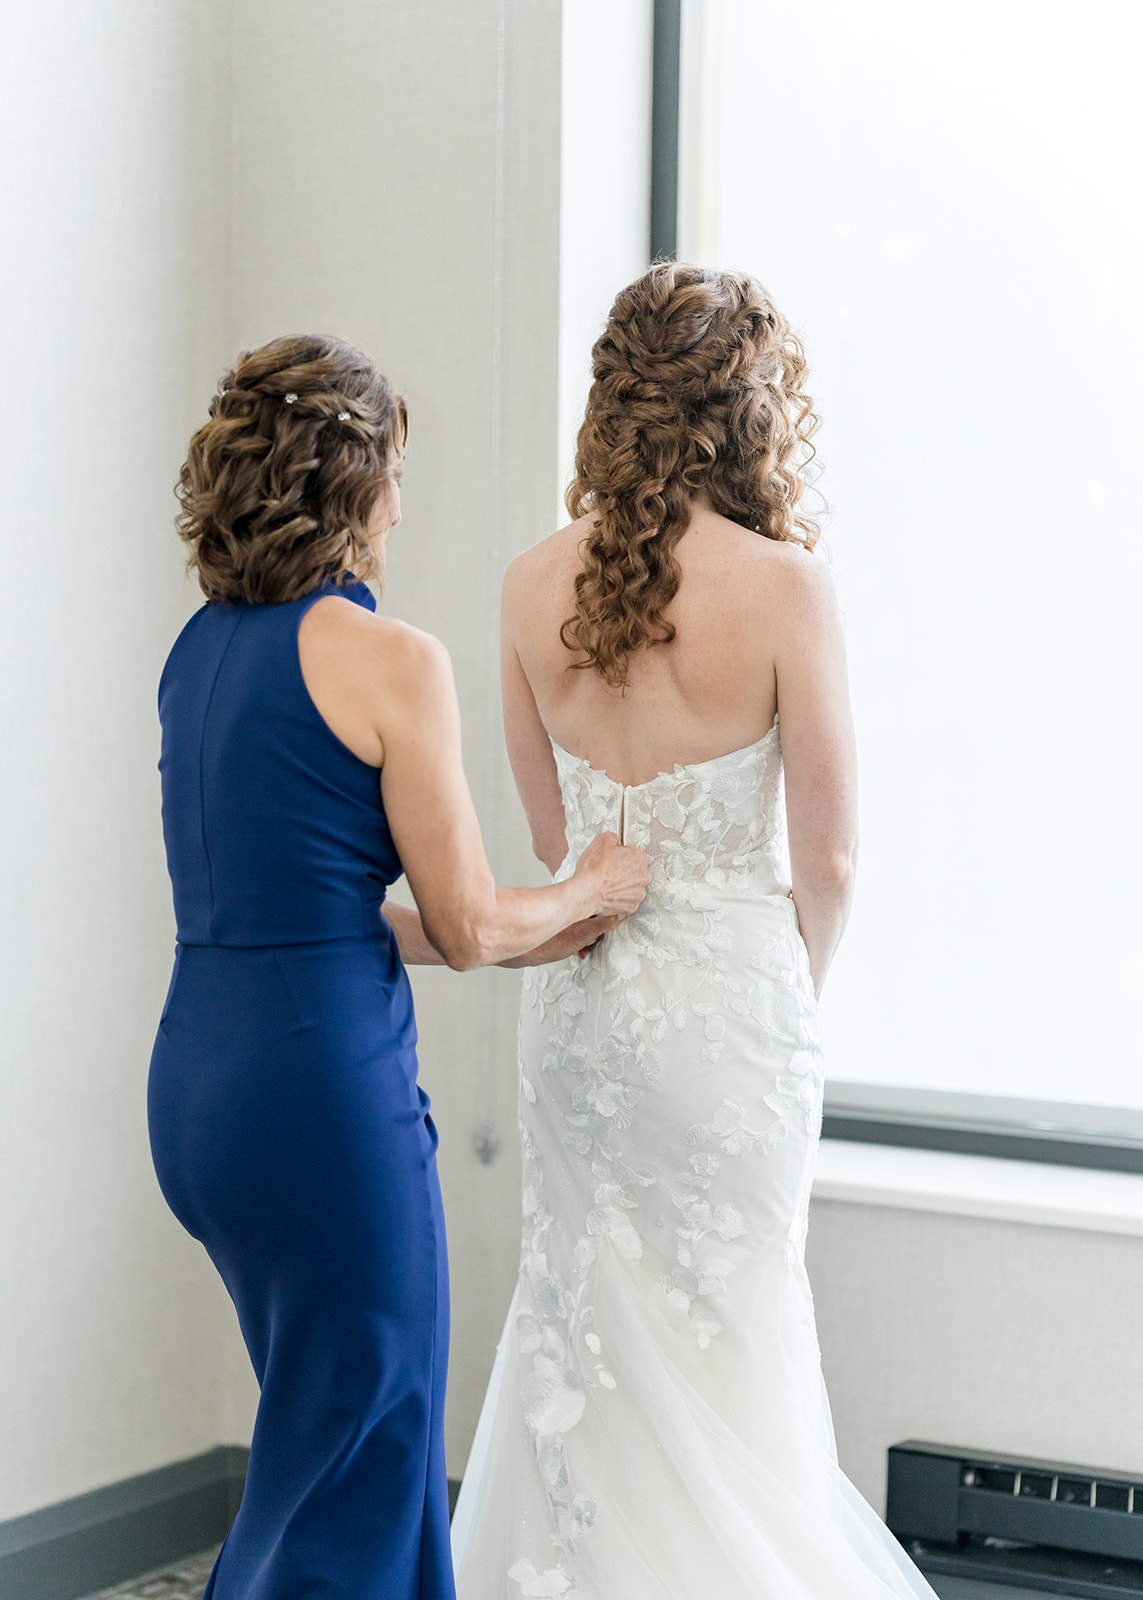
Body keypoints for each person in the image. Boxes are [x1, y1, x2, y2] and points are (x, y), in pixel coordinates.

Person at [450, 265, 938, 1598]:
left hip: (578, 1013)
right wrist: (789, 988)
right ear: (748, 408)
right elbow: (828, 854)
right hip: (728, 1011)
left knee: (577, 1335)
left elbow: (555, 842)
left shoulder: (526, 584)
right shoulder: (784, 587)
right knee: (735, 1346)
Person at [147, 334, 649, 1600]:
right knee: (373, 1446)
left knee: (317, 1438)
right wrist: (588, 890)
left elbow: (326, 912)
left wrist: (539, 923)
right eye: (399, 476)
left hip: (200, 1091)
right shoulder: (391, 658)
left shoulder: (196, 653)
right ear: (353, 479)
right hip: (321, 1099)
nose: (403, 509)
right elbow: (468, 926)